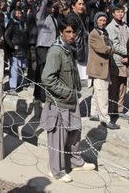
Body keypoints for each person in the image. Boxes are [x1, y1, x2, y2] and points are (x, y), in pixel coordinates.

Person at [40, 17, 95, 183]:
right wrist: (67, 93)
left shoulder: (67, 49)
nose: (72, 35)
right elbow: (47, 78)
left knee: (75, 133)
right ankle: (56, 170)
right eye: (68, 32)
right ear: (61, 33)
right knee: (58, 138)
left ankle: (75, 162)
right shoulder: (56, 51)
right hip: (59, 102)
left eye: (74, 32)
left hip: (71, 100)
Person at [87, 12, 119, 129]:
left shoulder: (102, 32)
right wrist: (112, 49)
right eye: (100, 20)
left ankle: (94, 113)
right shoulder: (94, 34)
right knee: (103, 94)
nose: (102, 22)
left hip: (101, 67)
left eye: (104, 20)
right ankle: (105, 119)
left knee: (97, 92)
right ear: (96, 21)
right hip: (99, 67)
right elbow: (103, 49)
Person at [106, 3, 129, 121]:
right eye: (118, 12)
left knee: (123, 87)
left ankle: (120, 109)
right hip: (117, 61)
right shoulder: (111, 27)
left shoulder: (125, 26)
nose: (120, 14)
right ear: (113, 13)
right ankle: (112, 111)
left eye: (122, 11)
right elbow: (114, 46)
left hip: (126, 60)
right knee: (115, 88)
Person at [4, 8, 28, 95]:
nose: (19, 15)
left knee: (22, 68)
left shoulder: (21, 23)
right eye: (17, 13)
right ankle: (12, 87)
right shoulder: (12, 23)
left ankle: (19, 84)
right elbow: (6, 36)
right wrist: (13, 46)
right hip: (15, 51)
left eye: (20, 13)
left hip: (22, 49)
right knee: (14, 69)